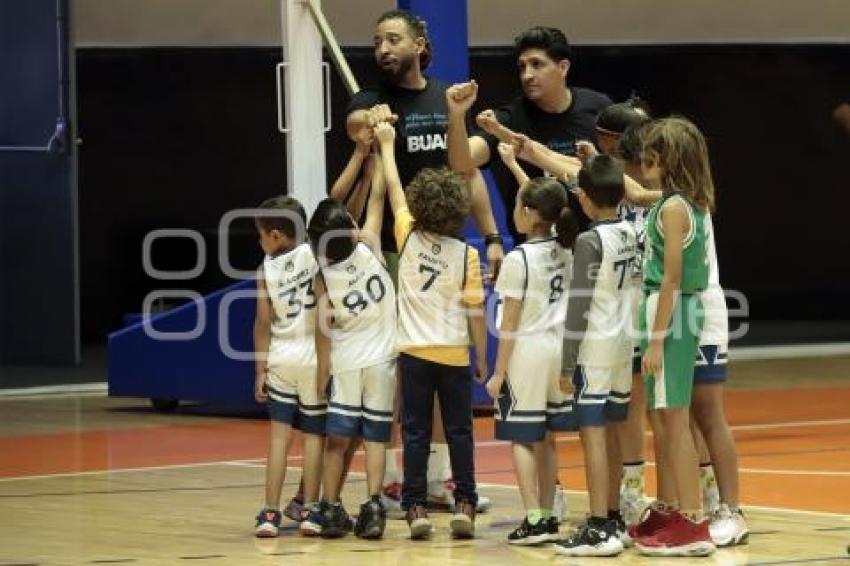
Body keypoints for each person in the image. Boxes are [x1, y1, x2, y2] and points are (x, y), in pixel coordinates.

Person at [345, 9, 501, 514]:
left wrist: (493, 236)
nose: (382, 49)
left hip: (446, 250)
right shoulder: (372, 99)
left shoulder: (445, 97)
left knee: (440, 367)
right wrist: (370, 123)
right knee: (397, 370)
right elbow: (355, 122)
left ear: (420, 43)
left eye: (392, 39)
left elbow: (469, 171)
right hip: (395, 250)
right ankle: (397, 478)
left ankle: (435, 480)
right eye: (376, 42)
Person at [375, 120, 487, 540]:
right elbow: (476, 313)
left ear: (422, 206)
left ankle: (416, 507)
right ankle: (465, 503)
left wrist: (388, 145)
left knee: (416, 432)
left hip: (414, 354)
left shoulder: (405, 237)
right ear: (458, 209)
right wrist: (483, 359)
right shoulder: (467, 255)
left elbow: (393, 186)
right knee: (460, 432)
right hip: (454, 355)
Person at [630, 117, 716, 557]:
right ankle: (671, 508)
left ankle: (692, 522)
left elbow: (671, 279)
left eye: (653, 154)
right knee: (663, 417)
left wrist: (658, 339)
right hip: (672, 313)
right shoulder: (682, 203)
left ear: (670, 159)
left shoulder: (674, 208)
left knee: (675, 420)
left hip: (672, 314)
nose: (645, 161)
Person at [445, 26, 612, 241]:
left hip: (595, 242)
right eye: (522, 67)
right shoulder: (509, 119)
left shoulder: (598, 107)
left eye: (537, 64)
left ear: (563, 67)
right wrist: (456, 115)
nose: (527, 75)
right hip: (536, 252)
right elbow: (462, 162)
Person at [485, 163, 578, 545]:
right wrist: (512, 162)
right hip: (559, 347)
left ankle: (535, 518)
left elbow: (509, 324)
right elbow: (548, 199)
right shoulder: (567, 246)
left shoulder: (518, 259)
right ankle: (549, 514)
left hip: (529, 351)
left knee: (522, 437)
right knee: (548, 438)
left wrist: (497, 372)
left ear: (528, 212)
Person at [307, 163, 397, 540]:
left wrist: (321, 375)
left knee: (337, 441)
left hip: (345, 362)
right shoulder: (371, 245)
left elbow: (323, 333)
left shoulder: (322, 278)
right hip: (383, 361)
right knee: (376, 437)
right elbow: (377, 200)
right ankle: (374, 506)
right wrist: (377, 162)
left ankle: (329, 507)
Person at [553, 155, 636, 557]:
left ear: (584, 199)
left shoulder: (589, 241)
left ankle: (599, 524)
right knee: (615, 429)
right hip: (623, 343)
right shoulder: (631, 231)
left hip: (596, 347)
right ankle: (615, 515)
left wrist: (567, 364)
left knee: (593, 436)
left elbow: (578, 306)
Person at [252, 196, 325, 538]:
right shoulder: (317, 257)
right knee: (314, 437)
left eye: (261, 234)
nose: (260, 241)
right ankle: (310, 509)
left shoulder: (265, 268)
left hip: (283, 355)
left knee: (279, 438)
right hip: (314, 356)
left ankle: (269, 513)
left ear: (277, 235)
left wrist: (259, 370)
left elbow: (263, 322)